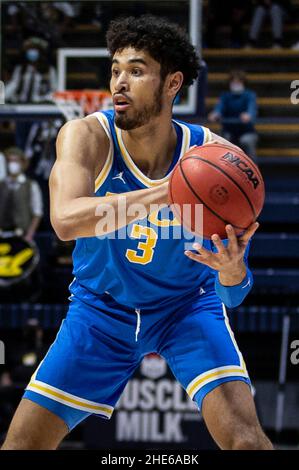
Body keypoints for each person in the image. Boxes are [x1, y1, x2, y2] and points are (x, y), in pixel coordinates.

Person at [1, 15, 273, 450]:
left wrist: (231, 270)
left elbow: (234, 294)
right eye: (115, 70)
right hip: (100, 311)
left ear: (172, 84)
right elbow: (65, 221)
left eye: (137, 69)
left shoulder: (218, 159)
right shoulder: (85, 137)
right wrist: (170, 190)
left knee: (247, 442)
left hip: (186, 309)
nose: (119, 83)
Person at [208, 70, 258, 160]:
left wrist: (248, 115)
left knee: (247, 141)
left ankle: (253, 169)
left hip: (247, 131)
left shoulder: (249, 95)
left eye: (238, 82)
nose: (236, 84)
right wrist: (215, 114)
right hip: (228, 131)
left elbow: (252, 109)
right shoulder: (225, 96)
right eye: (233, 82)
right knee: (222, 141)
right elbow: (219, 108)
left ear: (243, 83)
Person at [0, 147, 43, 242]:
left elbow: (37, 213)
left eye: (15, 160)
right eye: (9, 161)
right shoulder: (1, 184)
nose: (12, 164)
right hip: (2, 235)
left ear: (22, 163)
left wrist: (29, 235)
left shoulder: (31, 185)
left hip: (22, 236)